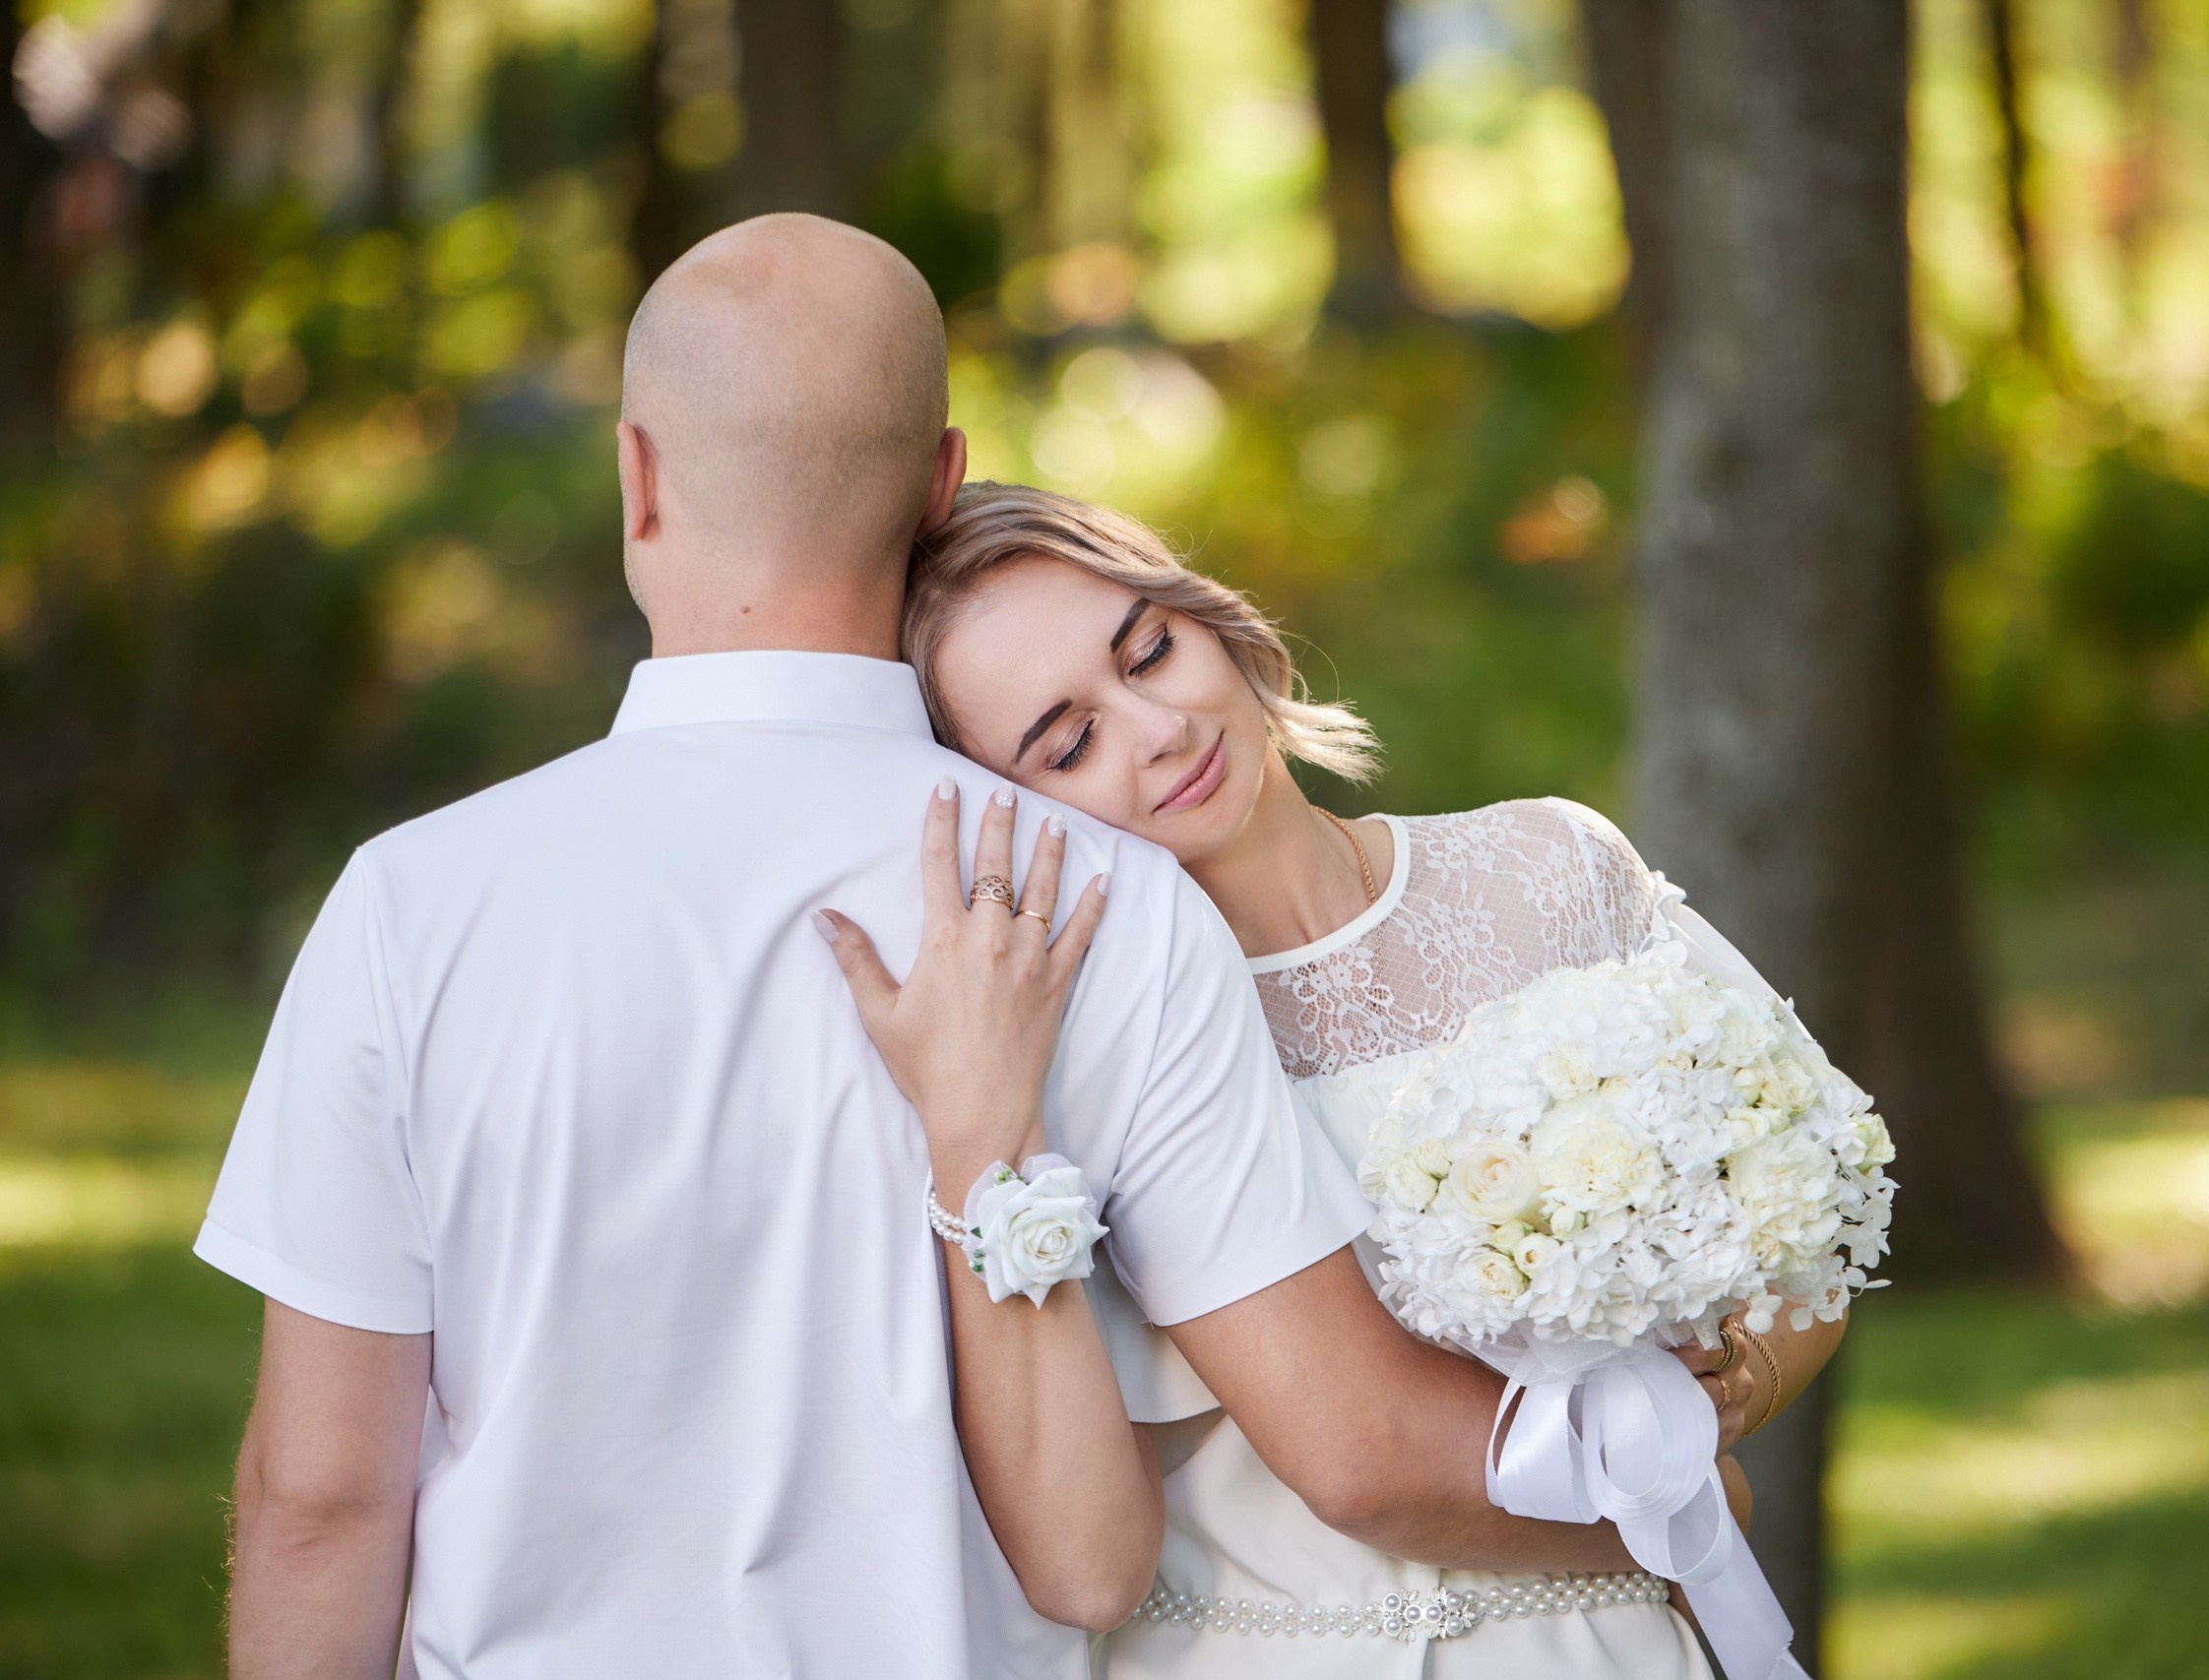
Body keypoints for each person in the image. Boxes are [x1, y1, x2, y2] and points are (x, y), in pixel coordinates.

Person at [198, 216, 1660, 1680]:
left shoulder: (410, 904)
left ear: (638, 478)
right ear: (940, 483)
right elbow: (1317, 1444)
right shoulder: (1105, 900)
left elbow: (322, 1496)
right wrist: (1681, 1481)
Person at [848, 481, 1854, 1678]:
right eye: (1069, 742)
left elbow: (1817, 1223)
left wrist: (1723, 1395)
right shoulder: (1063, 1051)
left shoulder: (1549, 868)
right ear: (1011, 808)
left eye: (1150, 653)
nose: (1156, 729)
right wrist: (1704, 1508)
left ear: (1214, 624)